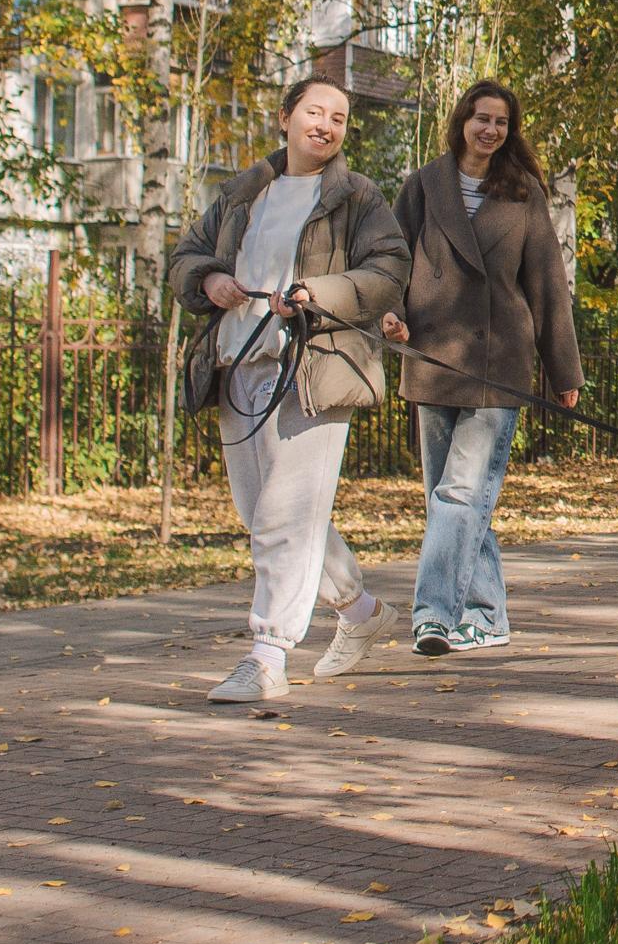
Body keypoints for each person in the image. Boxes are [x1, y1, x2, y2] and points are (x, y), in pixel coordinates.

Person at [168, 78, 411, 703]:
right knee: (265, 516)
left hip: (315, 370)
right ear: (286, 117)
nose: (325, 125)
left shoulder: (358, 196)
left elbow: (389, 268)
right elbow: (184, 259)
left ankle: (267, 655)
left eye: (338, 117)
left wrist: (319, 293)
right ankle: (361, 613)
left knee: (285, 515)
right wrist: (213, 279)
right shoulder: (242, 192)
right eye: (314, 112)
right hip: (238, 365)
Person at [381, 80, 582, 657]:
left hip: (499, 364)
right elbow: (391, 262)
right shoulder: (423, 186)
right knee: (455, 499)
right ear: (462, 121)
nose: (490, 130)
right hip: (432, 358)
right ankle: (489, 616)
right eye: (481, 119)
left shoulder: (524, 194)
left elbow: (547, 285)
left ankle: (432, 617)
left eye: (500, 122)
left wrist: (563, 370)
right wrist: (390, 315)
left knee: (461, 495)